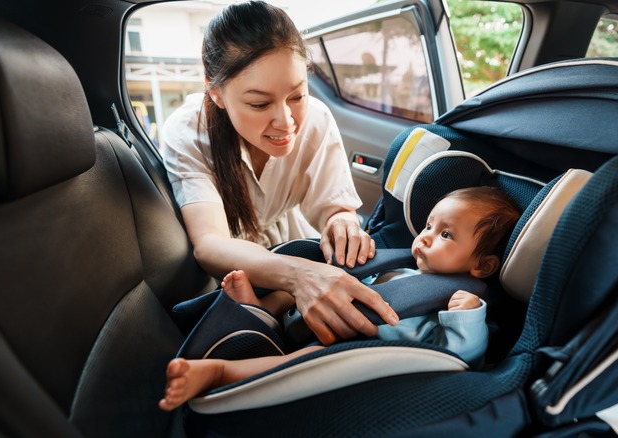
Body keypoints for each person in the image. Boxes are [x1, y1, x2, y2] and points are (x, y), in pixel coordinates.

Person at [160, 1, 398, 346]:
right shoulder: (187, 133)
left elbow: (334, 207)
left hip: (293, 240)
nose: (287, 122)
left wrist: (342, 223)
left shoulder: (316, 119)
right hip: (236, 264)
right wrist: (300, 276)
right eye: (260, 104)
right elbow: (211, 243)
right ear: (216, 92)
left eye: (297, 95)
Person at [159, 186, 521, 412]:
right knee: (292, 289)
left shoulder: (464, 303)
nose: (425, 238)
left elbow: (462, 358)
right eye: (428, 225)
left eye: (445, 234)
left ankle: (221, 373)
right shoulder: (406, 266)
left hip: (356, 351)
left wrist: (467, 317)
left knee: (309, 358)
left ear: (482, 265)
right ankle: (260, 312)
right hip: (326, 316)